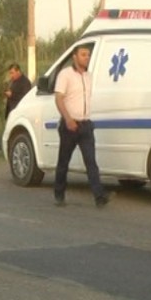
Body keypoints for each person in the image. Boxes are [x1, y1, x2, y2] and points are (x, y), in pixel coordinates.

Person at [53, 45, 112, 208]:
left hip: (85, 125)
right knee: (63, 162)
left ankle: (99, 196)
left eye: (88, 55)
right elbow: (59, 99)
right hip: (69, 125)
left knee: (91, 162)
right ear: (75, 57)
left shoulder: (88, 76)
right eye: (83, 54)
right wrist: (68, 119)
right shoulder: (65, 75)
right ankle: (59, 193)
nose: (87, 57)